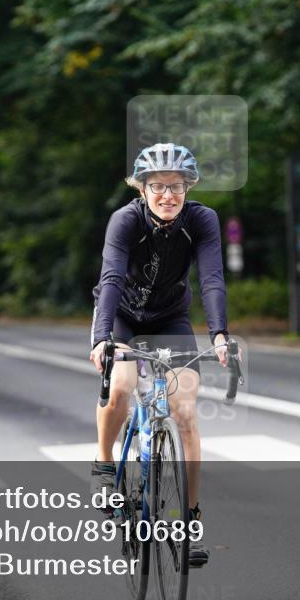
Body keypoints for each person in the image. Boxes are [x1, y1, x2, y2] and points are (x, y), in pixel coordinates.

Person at [88, 143, 229, 568]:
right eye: (157, 187)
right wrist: (101, 338)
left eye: (177, 187)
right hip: (123, 317)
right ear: (142, 189)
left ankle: (188, 518)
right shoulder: (124, 221)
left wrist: (219, 334)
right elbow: (111, 277)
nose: (168, 195)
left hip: (170, 317)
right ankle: (105, 461)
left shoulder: (201, 221)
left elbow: (212, 278)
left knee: (184, 410)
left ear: (188, 188)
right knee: (123, 384)